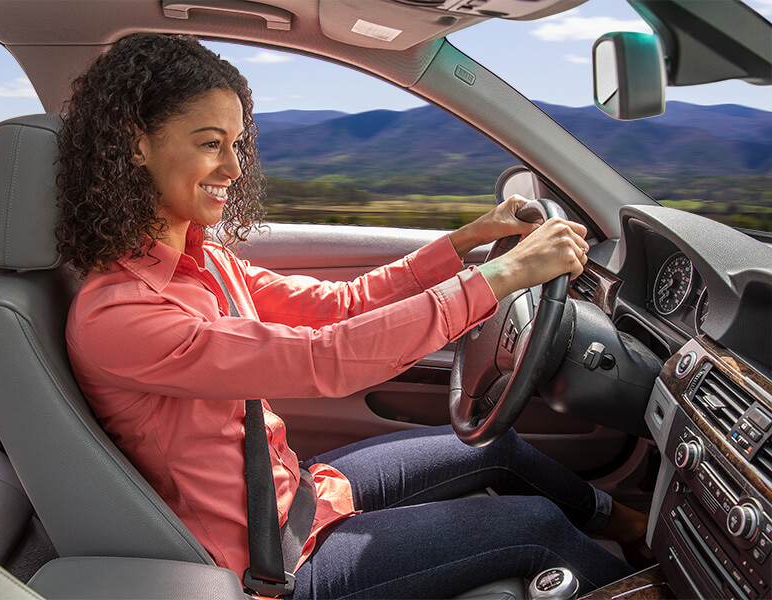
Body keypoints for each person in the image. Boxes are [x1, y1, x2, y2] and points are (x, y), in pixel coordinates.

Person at [57, 33, 649, 598]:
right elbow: (323, 361)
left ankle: (633, 531)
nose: (234, 169)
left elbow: (339, 306)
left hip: (297, 494)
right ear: (137, 145)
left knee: (496, 448)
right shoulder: (121, 314)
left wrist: (470, 239)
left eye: (237, 145)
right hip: (269, 563)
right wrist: (506, 275)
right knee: (533, 526)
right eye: (211, 144)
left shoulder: (204, 261)